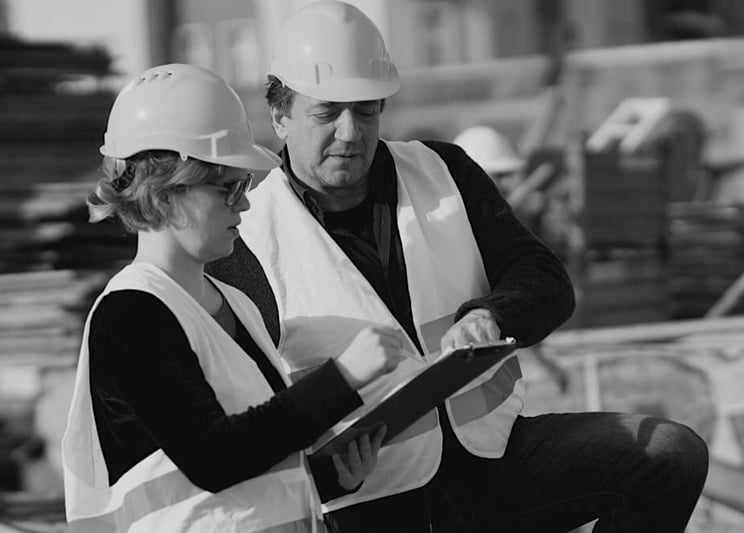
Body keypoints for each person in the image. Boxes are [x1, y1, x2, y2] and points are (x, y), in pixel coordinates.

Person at [207, 2, 710, 532]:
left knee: (669, 454)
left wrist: (493, 314)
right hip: (370, 503)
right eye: (328, 112)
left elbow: (544, 278)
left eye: (367, 110)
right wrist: (325, 475)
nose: (352, 133)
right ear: (280, 115)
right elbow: (247, 433)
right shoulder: (246, 239)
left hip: (494, 462)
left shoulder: (444, 171)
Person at [61, 63, 407, 533]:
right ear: (165, 191)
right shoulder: (131, 315)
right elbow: (213, 458)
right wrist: (342, 378)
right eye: (228, 188)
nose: (244, 203)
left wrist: (328, 478)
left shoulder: (234, 303)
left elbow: (244, 473)